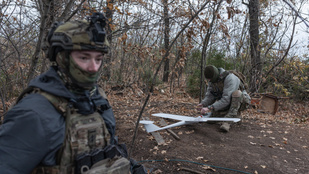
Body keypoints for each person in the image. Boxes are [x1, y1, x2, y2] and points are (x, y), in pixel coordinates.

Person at [0, 12, 146, 174]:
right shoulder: (34, 113)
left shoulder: (98, 99)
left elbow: (103, 151)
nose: (93, 68)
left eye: (98, 59)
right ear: (62, 57)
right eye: (84, 58)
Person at [197, 65, 251, 132]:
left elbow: (226, 100)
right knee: (211, 119)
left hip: (241, 101)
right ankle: (225, 115)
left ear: (214, 76)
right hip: (226, 101)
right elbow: (210, 95)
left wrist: (209, 108)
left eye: (210, 79)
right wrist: (203, 104)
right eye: (208, 79)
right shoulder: (212, 81)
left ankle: (228, 120)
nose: (209, 81)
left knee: (237, 94)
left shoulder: (230, 78)